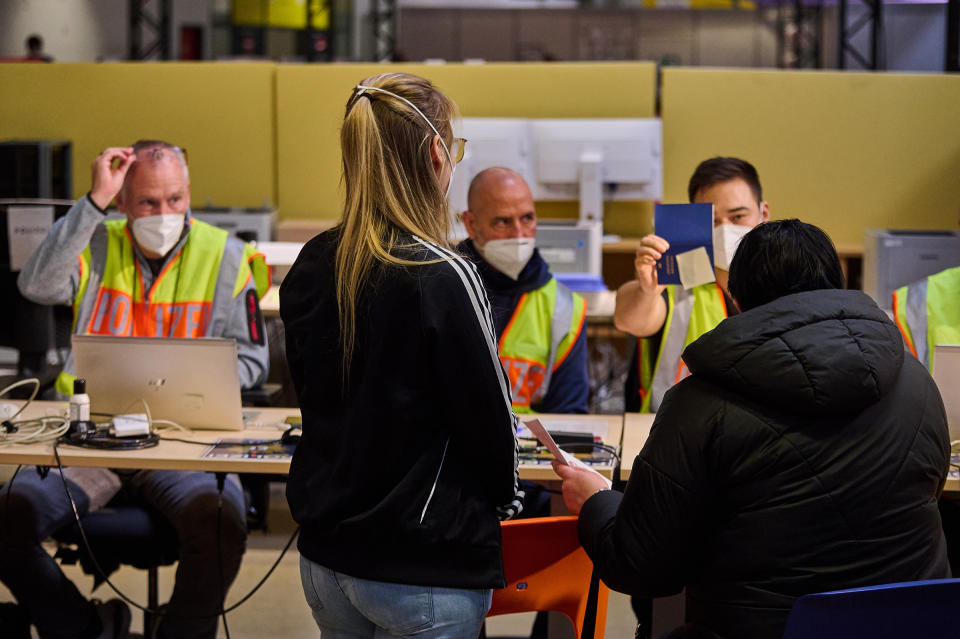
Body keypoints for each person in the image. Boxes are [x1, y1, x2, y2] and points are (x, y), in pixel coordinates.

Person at [555, 220, 950, 639]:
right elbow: (932, 484)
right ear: (836, 284)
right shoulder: (916, 380)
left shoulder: (700, 402)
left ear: (736, 300)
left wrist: (596, 502)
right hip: (915, 624)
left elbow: (642, 568)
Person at [280, 73, 523, 638]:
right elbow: (489, 422)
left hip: (327, 561)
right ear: (438, 155)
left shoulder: (314, 261)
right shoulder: (442, 273)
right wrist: (505, 500)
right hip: (420, 566)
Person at [2, 140, 270, 639]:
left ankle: (178, 633)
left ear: (189, 193)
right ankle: (88, 628)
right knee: (6, 517)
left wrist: (196, 384)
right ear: (123, 202)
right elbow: (36, 286)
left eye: (175, 199)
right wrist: (91, 204)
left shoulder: (229, 257)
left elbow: (255, 361)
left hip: (184, 445)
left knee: (220, 522)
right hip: (89, 442)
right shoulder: (94, 244)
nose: (164, 213)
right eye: (148, 202)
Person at [615, 157, 769, 413]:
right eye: (711, 221)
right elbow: (628, 319)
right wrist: (647, 290)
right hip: (670, 435)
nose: (724, 230)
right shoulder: (675, 281)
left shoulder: (782, 285)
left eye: (738, 216)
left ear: (763, 214)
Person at [458, 167, 588, 414]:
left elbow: (569, 415)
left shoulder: (565, 308)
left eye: (527, 218)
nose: (519, 234)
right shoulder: (439, 291)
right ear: (471, 224)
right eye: (502, 222)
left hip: (531, 450)